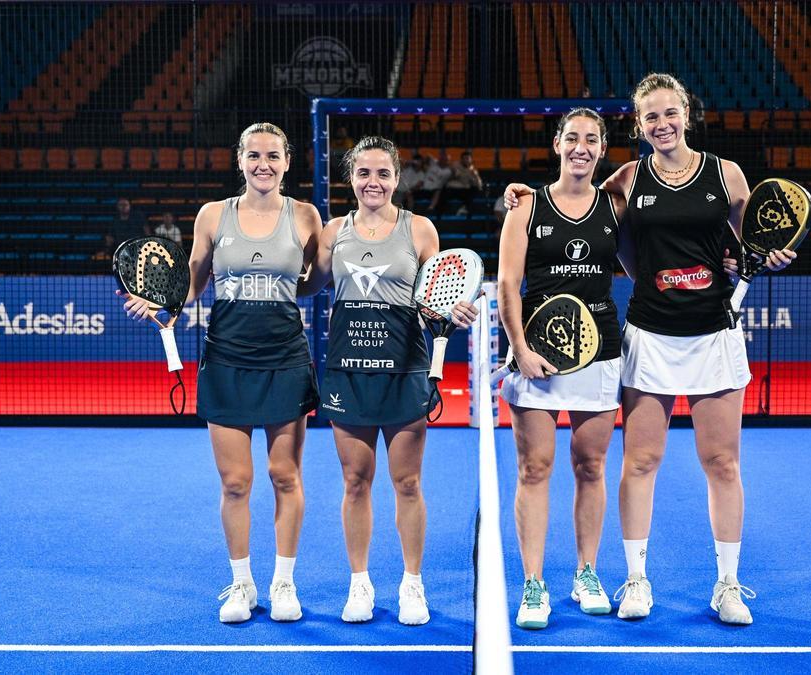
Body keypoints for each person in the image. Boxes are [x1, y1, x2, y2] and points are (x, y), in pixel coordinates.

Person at [504, 73, 794, 625]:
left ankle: (728, 584)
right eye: (650, 117)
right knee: (640, 461)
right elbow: (575, 201)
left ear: (687, 114)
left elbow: (750, 243)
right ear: (639, 127)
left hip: (714, 331)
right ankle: (636, 579)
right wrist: (520, 193)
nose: (662, 124)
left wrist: (762, 258)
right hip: (649, 333)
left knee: (723, 462)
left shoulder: (727, 176)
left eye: (670, 113)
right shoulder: (626, 180)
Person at [117, 122, 323, 624]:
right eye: (254, 155)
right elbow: (191, 281)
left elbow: (315, 281)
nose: (263, 165)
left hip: (286, 361)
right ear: (239, 159)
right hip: (226, 360)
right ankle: (242, 584)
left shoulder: (306, 216)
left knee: (284, 475)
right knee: (235, 482)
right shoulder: (213, 216)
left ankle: (283, 582)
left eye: (273, 156)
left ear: (288, 161)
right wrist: (162, 303)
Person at [299, 136, 478, 626]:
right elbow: (306, 284)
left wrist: (453, 310)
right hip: (347, 373)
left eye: (383, 173)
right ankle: (360, 584)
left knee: (408, 482)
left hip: (404, 370)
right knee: (355, 482)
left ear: (397, 179)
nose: (373, 182)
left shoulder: (419, 229)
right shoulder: (333, 232)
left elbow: (432, 298)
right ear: (351, 179)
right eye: (364, 173)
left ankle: (412, 584)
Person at [497, 108, 625, 630]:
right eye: (572, 137)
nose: (581, 146)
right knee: (535, 468)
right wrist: (521, 349)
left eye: (591, 139)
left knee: (591, 466)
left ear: (601, 149)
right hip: (539, 354)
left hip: (598, 350)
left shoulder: (616, 206)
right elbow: (507, 285)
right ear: (556, 144)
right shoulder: (526, 207)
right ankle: (534, 583)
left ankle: (586, 573)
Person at [438, 150, 483, 216]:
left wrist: (475, 176)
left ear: (471, 160)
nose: (467, 160)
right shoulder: (455, 165)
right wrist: (454, 174)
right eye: (465, 158)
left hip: (464, 190)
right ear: (461, 159)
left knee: (475, 190)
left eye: (468, 159)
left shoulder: (473, 170)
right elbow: (448, 177)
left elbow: (479, 186)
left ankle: (465, 209)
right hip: (453, 189)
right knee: (443, 192)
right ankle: (440, 214)